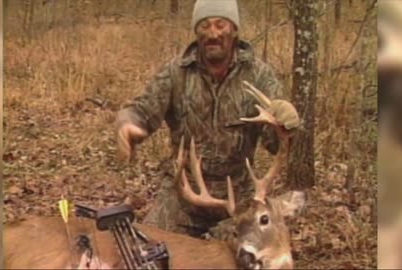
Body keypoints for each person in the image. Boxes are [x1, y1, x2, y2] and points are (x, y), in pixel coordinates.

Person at [114, 0, 301, 237]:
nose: (213, 33)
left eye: (220, 25)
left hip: (238, 200)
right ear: (196, 31)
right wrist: (127, 124)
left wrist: (286, 124)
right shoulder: (176, 72)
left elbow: (276, 143)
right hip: (182, 197)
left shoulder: (259, 75)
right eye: (205, 25)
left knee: (250, 255)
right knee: (148, 250)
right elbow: (141, 111)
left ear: (234, 30)